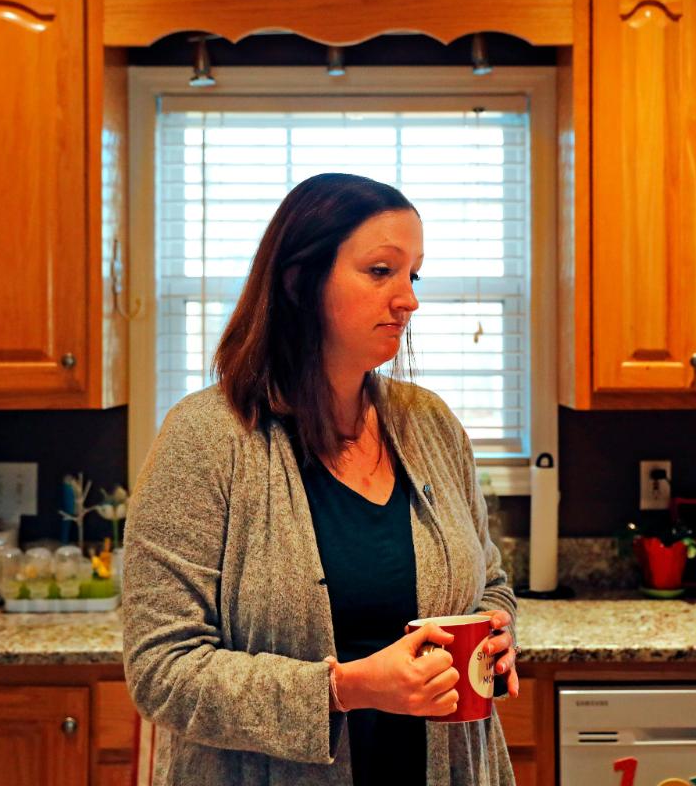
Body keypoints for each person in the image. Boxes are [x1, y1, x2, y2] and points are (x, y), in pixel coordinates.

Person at [123, 173, 520, 786]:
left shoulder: (431, 424)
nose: (408, 299)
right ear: (300, 282)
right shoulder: (206, 438)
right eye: (381, 271)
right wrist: (346, 688)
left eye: (413, 275)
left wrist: (496, 634)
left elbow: (488, 582)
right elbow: (162, 669)